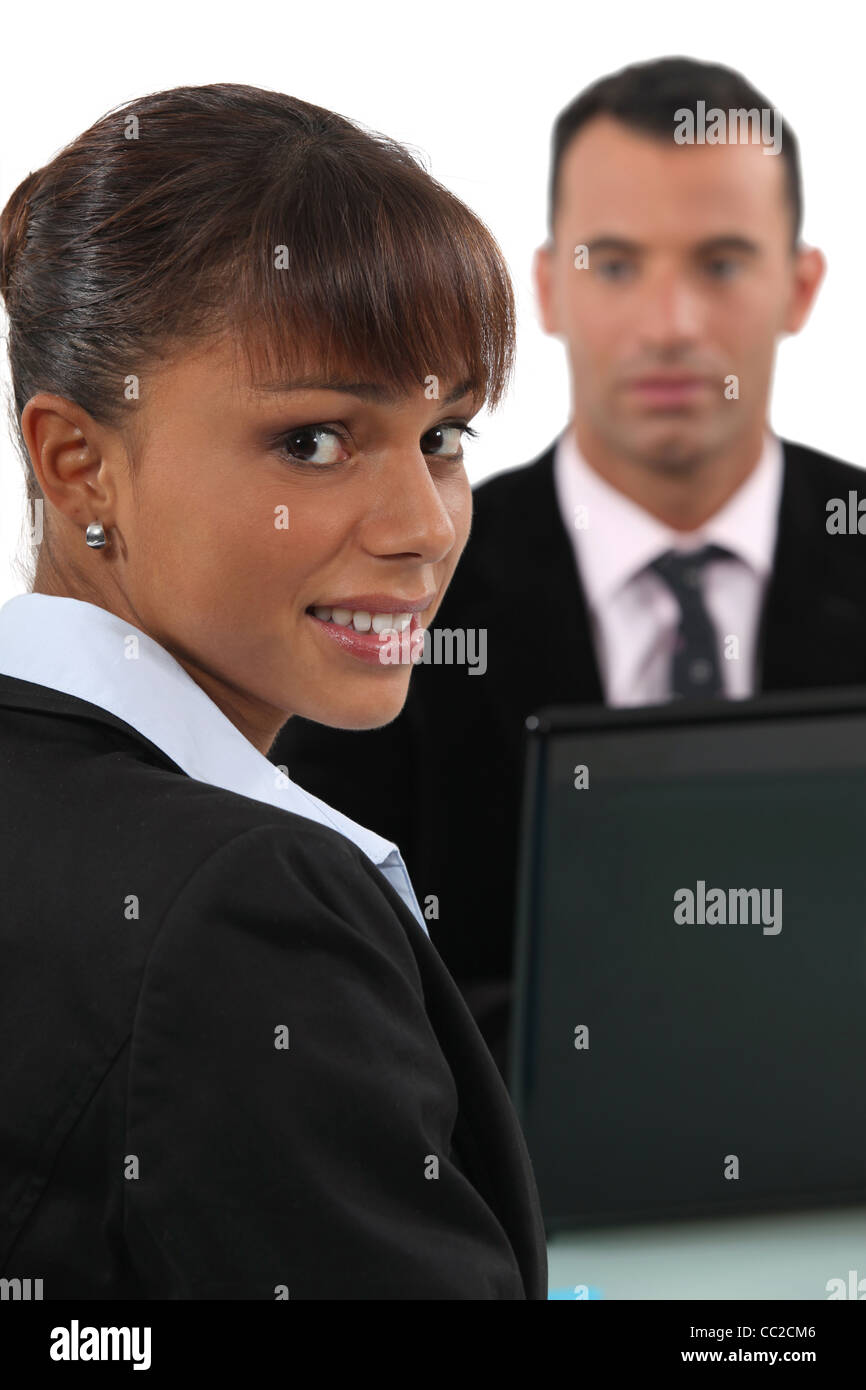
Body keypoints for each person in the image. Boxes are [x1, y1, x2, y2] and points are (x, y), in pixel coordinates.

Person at [0, 82, 546, 1299]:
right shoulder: (244, 908)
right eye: (313, 440)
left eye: (444, 433)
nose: (422, 527)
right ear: (77, 463)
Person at [273, 57, 866, 1075]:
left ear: (799, 286)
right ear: (546, 286)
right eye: (616, 264)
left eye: (720, 263)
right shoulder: (393, 576)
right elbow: (339, 979)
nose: (668, 325)